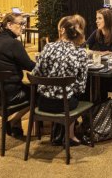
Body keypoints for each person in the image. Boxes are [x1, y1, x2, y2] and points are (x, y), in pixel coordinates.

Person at [32, 15, 89, 146]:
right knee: (73, 95)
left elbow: (36, 73)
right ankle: (70, 135)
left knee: (69, 94)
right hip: (66, 105)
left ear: (62, 30)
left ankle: (58, 133)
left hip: (43, 103)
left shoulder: (48, 47)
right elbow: (81, 87)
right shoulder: (80, 53)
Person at [0, 13, 35, 137]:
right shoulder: (14, 44)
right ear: (9, 25)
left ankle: (15, 126)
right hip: (6, 95)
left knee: (21, 86)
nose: (23, 27)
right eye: (20, 24)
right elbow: (31, 66)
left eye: (24, 24)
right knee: (37, 92)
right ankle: (14, 121)